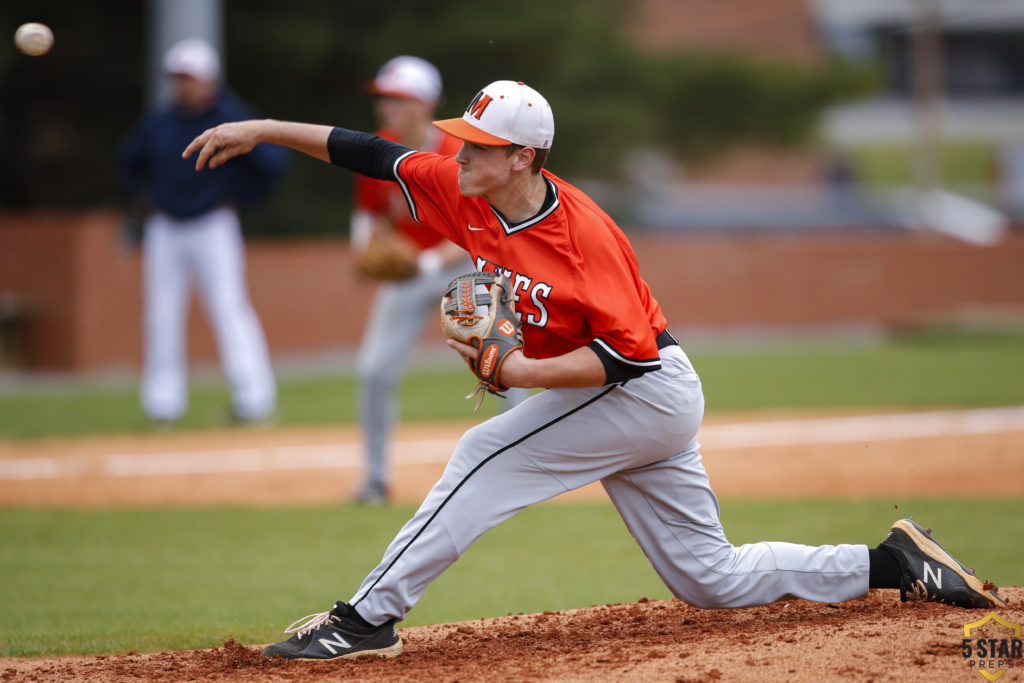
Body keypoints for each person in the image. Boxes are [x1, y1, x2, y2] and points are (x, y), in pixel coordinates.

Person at [183, 80, 1004, 661]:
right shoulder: (463, 191)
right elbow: (370, 153)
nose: (457, 153)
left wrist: (516, 370)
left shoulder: (584, 234)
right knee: (708, 579)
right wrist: (259, 128)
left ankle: (365, 617)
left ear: (524, 158)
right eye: (461, 142)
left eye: (477, 147)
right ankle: (897, 562)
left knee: (481, 456)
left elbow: (626, 355)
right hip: (632, 396)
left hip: (642, 390)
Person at [350, 56, 527, 505]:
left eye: (399, 97)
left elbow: (480, 226)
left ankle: (531, 467)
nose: (387, 105)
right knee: (373, 371)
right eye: (384, 97)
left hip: (464, 269)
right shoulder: (381, 149)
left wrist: (425, 263)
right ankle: (374, 480)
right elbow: (374, 216)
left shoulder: (456, 152)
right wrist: (368, 250)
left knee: (505, 368)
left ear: (425, 103)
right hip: (409, 276)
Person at [120, 38, 286, 425]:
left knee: (230, 308)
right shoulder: (159, 121)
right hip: (165, 226)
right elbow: (129, 165)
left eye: (189, 78)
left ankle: (254, 400)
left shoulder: (231, 116)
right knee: (161, 312)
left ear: (209, 80)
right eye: (178, 78)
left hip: (214, 223)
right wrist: (144, 198)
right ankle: (163, 404)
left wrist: (240, 196)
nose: (183, 86)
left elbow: (271, 165)